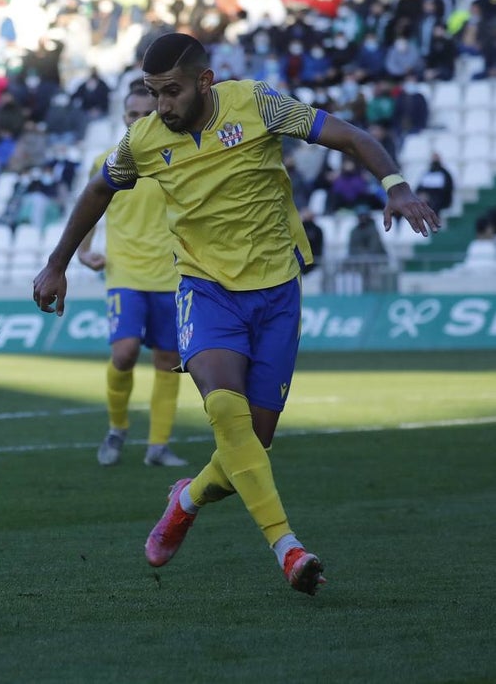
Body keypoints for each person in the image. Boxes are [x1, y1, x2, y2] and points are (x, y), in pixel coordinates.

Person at [33, 33, 439, 595]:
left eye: (170, 92)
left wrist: (395, 185)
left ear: (205, 81)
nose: (161, 106)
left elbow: (348, 135)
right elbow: (97, 190)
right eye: (152, 94)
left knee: (253, 442)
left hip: (277, 291)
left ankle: (187, 498)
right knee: (227, 413)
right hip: (206, 290)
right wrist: (58, 264)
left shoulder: (259, 104)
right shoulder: (142, 141)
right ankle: (288, 548)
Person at [75, 85, 187, 469]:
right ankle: (117, 427)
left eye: (145, 114)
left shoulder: (177, 160)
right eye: (131, 115)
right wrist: (83, 250)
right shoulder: (108, 161)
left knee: (169, 359)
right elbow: (89, 205)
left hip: (171, 277)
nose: (138, 121)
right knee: (123, 353)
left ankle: (158, 445)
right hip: (124, 272)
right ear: (123, 118)